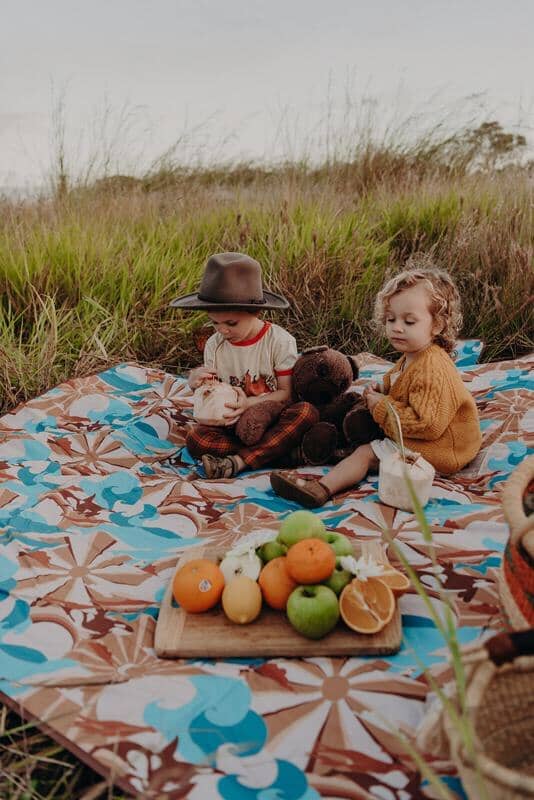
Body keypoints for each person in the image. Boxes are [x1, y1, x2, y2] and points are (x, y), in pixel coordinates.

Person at [270, 265, 482, 508]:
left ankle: (321, 488)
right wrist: (383, 392)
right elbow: (404, 387)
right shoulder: (413, 355)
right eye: (391, 319)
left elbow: (427, 424)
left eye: (409, 321)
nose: (397, 327)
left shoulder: (432, 366)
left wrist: (383, 406)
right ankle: (310, 449)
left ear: (436, 326)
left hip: (441, 448)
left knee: (366, 453)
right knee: (356, 413)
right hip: (423, 433)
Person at [170, 252, 318, 478]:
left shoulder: (278, 341)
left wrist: (249, 403)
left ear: (256, 312)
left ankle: (239, 461)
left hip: (273, 418)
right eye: (214, 323)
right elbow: (213, 392)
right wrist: (196, 385)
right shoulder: (214, 344)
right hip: (233, 425)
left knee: (306, 412)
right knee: (197, 439)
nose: (222, 330)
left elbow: (287, 394)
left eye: (231, 323)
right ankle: (279, 453)